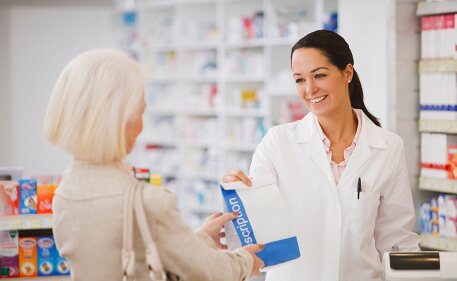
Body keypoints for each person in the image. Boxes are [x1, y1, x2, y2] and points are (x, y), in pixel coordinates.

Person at [43, 49, 264, 281]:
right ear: (119, 120)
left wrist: (202, 239)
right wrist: (244, 261)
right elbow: (206, 272)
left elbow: (128, 254)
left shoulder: (65, 194)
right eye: (139, 113)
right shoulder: (145, 202)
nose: (140, 126)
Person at [222, 30, 420, 281]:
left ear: (347, 73)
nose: (310, 89)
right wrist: (239, 199)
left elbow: (397, 240)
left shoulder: (388, 147)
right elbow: (255, 240)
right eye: (299, 80)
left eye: (320, 75)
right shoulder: (277, 143)